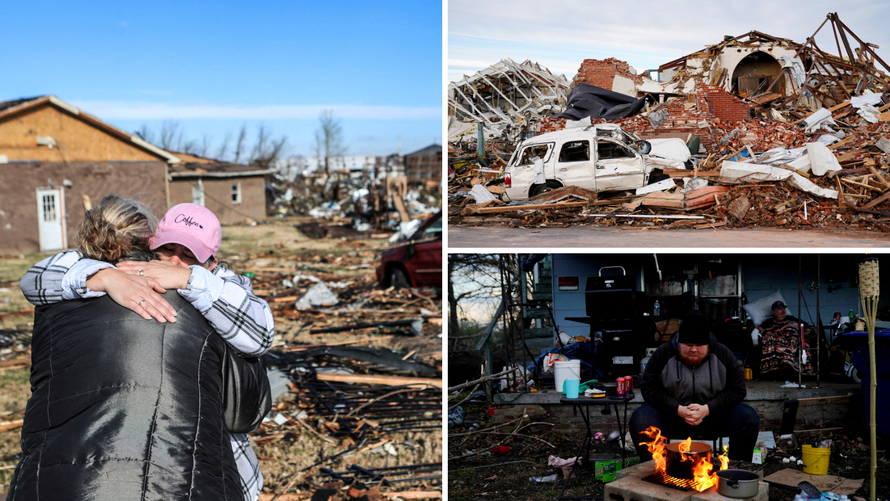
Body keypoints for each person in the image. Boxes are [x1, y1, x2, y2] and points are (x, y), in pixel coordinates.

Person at [9, 195, 269, 499]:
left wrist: (189, 280)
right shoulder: (113, 276)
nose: (174, 261)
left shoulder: (220, 289)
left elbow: (261, 333)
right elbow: (32, 280)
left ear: (211, 261)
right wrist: (104, 277)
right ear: (151, 245)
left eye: (189, 256)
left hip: (199, 458)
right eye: (168, 249)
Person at [629, 311, 760, 463]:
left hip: (713, 418)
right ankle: (654, 469)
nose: (693, 350)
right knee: (641, 417)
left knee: (747, 417)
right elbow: (649, 388)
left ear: (708, 345)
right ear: (679, 343)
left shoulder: (723, 353)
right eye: (688, 345)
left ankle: (737, 472)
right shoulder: (663, 354)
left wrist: (707, 409)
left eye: (699, 345)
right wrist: (678, 409)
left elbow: (738, 390)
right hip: (672, 417)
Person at [756, 301, 817, 380]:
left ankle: (789, 363)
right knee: (769, 335)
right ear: (773, 312)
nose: (783, 311)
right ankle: (782, 365)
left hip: (792, 340)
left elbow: (806, 326)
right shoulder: (768, 323)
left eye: (784, 309)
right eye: (779, 309)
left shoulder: (791, 319)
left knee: (797, 337)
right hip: (777, 341)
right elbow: (760, 329)